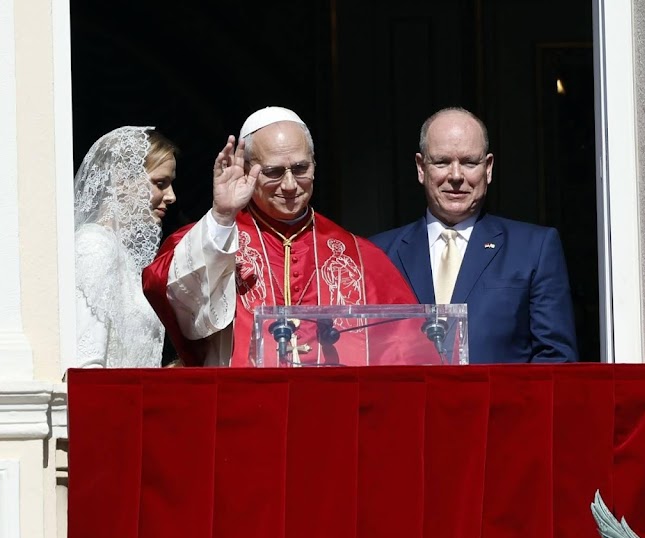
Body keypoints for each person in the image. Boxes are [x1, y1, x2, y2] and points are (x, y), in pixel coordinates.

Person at [142, 106, 421, 367]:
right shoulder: (217, 235)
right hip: (243, 408)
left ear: (314, 164)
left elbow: (406, 349)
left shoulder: (358, 255)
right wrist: (222, 216)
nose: (289, 185)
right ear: (248, 169)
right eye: (273, 172)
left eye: (301, 169)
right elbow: (173, 297)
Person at [370, 107, 578, 363]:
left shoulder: (534, 249)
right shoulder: (378, 254)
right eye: (442, 162)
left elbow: (556, 359)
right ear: (421, 168)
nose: (456, 176)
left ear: (488, 168)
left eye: (469, 162)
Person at [73, 126, 177, 368]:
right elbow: (87, 362)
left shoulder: (121, 254)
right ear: (121, 180)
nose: (171, 196)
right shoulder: (94, 246)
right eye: (160, 183)